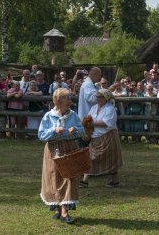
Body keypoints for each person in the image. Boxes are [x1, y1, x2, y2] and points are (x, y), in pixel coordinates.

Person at [38, 88, 85, 224]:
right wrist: (54, 130)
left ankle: (65, 212)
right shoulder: (48, 116)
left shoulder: (73, 115)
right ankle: (58, 208)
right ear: (58, 101)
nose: (70, 101)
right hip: (53, 150)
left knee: (69, 177)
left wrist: (75, 130)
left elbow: (82, 131)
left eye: (70, 99)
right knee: (55, 178)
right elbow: (41, 135)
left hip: (70, 148)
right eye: (67, 99)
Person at [80, 89, 123, 187]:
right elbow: (89, 118)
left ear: (106, 98)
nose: (98, 99)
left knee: (111, 160)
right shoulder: (94, 107)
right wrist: (86, 124)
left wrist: (92, 123)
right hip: (95, 137)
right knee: (91, 157)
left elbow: (106, 123)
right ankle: (85, 180)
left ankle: (115, 180)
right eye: (97, 97)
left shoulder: (110, 109)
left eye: (100, 97)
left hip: (108, 137)